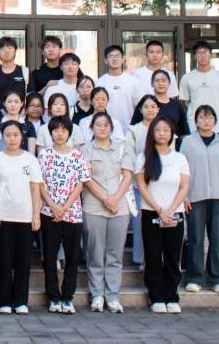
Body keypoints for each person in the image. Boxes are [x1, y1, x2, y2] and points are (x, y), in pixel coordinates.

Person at [0, 120, 42, 314]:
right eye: (8, 135)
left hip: (25, 216)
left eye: (16, 135)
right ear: (3, 137)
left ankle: (20, 301)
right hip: (3, 216)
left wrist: (36, 215)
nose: (12, 139)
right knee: (4, 259)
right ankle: (4, 301)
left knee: (23, 260)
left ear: (22, 137)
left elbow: (35, 189)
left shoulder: (30, 159)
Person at [136, 117, 190, 314]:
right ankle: (156, 296)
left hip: (175, 214)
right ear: (152, 133)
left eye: (166, 130)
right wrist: (159, 209)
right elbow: (142, 186)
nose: (162, 133)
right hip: (151, 211)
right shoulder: (144, 157)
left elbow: (184, 187)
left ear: (172, 134)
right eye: (158, 130)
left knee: (172, 256)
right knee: (153, 256)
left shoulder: (179, 158)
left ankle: (172, 296)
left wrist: (171, 209)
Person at [81, 111, 133, 314]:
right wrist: (105, 199)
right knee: (95, 252)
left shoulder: (122, 147)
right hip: (94, 206)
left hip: (120, 207)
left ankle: (112, 296)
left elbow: (127, 176)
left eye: (106, 125)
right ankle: (97, 295)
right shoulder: (86, 149)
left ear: (112, 128)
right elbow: (86, 178)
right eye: (98, 125)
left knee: (115, 253)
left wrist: (115, 199)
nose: (102, 128)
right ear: (92, 128)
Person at [180, 104, 219, 295]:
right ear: (196, 121)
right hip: (195, 196)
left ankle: (217, 278)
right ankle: (194, 278)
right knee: (195, 238)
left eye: (210, 117)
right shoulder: (188, 142)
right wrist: (184, 196)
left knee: (217, 238)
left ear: (215, 120)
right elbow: (182, 171)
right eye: (202, 117)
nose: (206, 121)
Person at [38, 116, 89, 315]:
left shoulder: (77, 155)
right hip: (48, 211)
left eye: (64, 130)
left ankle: (67, 297)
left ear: (69, 133)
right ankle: (53, 297)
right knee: (50, 256)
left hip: (72, 212)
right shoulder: (44, 155)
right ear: (50, 132)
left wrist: (65, 207)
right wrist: (53, 205)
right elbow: (39, 183)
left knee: (72, 256)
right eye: (56, 130)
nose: (60, 134)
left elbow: (80, 184)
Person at [126, 94, 161, 268]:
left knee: (158, 222)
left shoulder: (164, 129)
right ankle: (140, 259)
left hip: (160, 185)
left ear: (158, 109)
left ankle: (156, 258)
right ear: (140, 110)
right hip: (138, 184)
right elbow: (130, 157)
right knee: (140, 224)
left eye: (153, 106)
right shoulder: (133, 130)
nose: (150, 110)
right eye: (146, 107)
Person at [178, 40, 219, 136]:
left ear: (210, 55)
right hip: (194, 125)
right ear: (195, 56)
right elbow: (184, 102)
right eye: (199, 52)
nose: (202, 55)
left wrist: (217, 115)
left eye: (205, 52)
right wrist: (193, 113)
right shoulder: (187, 78)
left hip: (217, 125)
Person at [96, 45, 140, 135]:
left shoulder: (133, 81)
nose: (114, 59)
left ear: (123, 59)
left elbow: (140, 106)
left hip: (129, 130)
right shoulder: (99, 82)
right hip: (105, 130)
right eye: (111, 56)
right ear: (105, 60)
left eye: (117, 56)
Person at [143, 68, 190, 137]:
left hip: (174, 143)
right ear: (152, 84)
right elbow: (137, 128)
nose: (160, 83)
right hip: (151, 142)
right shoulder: (145, 104)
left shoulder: (177, 105)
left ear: (169, 83)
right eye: (157, 81)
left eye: (163, 80)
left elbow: (184, 131)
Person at [0, 36, 28, 103]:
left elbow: (30, 95)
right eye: (2, 49)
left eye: (10, 48)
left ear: (15, 51)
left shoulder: (25, 71)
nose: (6, 51)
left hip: (21, 110)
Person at [0, 90, 37, 155]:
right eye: (9, 102)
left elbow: (31, 152)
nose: (13, 105)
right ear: (4, 103)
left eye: (16, 102)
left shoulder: (28, 125)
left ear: (21, 103)